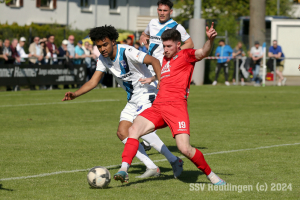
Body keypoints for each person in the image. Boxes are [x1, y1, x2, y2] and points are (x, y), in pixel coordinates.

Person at [62, 25, 183, 179]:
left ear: (113, 41)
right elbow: (93, 81)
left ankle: (173, 160)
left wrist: (161, 81)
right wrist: (75, 94)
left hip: (147, 93)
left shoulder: (127, 51)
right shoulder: (102, 59)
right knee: (122, 132)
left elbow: (153, 61)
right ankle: (152, 166)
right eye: (99, 46)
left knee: (140, 131)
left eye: (105, 44)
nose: (102, 49)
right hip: (132, 99)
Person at [114, 24, 226, 186]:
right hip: (158, 106)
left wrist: (210, 40)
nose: (165, 50)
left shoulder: (186, 55)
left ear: (178, 45)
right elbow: (164, 77)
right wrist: (153, 79)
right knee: (133, 130)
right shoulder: (164, 60)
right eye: (163, 46)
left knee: (185, 149)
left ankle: (212, 175)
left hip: (176, 107)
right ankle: (124, 169)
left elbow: (203, 52)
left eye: (168, 46)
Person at [139, 0, 194, 150]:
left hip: (163, 69)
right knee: (146, 100)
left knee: (156, 102)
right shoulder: (152, 23)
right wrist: (143, 39)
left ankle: (148, 137)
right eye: (160, 10)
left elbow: (190, 43)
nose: (162, 13)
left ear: (171, 12)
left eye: (165, 10)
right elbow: (144, 35)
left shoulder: (177, 27)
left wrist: (175, 54)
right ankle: (147, 135)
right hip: (148, 68)